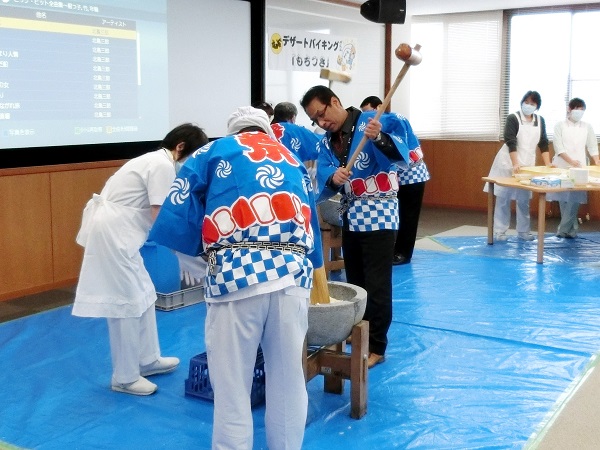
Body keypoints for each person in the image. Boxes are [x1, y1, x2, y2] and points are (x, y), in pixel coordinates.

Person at [149, 107, 318, 450]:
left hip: (235, 280)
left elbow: (178, 226)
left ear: (232, 131)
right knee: (288, 383)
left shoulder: (209, 153)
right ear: (265, 129)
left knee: (231, 388)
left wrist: (210, 270)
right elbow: (312, 235)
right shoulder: (291, 159)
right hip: (293, 279)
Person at [72, 123, 209, 396]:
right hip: (114, 236)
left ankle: (147, 359)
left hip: (120, 234)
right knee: (125, 301)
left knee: (145, 293)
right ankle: (124, 376)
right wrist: (188, 252)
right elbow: (161, 214)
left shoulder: (153, 161)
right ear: (180, 147)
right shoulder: (161, 165)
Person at [300, 85, 413, 369]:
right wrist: (334, 178)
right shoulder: (326, 142)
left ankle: (376, 344)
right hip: (351, 214)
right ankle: (359, 332)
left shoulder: (371, 122)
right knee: (356, 281)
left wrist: (380, 138)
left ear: (334, 101)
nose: (322, 123)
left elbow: (401, 154)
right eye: (315, 120)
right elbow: (324, 175)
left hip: (380, 214)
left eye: (322, 114)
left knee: (377, 284)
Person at [361, 95, 430, 265]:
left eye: (368, 111)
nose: (366, 116)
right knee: (398, 215)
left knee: (408, 216)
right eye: (363, 113)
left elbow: (401, 150)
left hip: (413, 174)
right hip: (398, 177)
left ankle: (403, 253)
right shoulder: (376, 125)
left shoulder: (394, 120)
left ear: (378, 107)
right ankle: (394, 249)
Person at [484, 90, 551, 241]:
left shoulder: (540, 120)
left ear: (537, 106)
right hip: (508, 162)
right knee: (503, 198)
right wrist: (515, 163)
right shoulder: (513, 118)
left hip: (527, 164)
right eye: (526, 102)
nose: (528, 105)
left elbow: (543, 142)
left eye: (532, 103)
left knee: (524, 199)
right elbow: (510, 141)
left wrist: (548, 164)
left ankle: (524, 232)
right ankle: (500, 232)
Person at [547, 97, 600, 238]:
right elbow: (558, 147)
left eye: (582, 110)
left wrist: (597, 160)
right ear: (569, 109)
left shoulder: (587, 126)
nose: (579, 112)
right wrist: (570, 161)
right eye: (576, 109)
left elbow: (592, 146)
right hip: (562, 164)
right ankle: (572, 229)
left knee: (575, 198)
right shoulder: (560, 125)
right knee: (563, 198)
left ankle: (563, 229)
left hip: (580, 166)